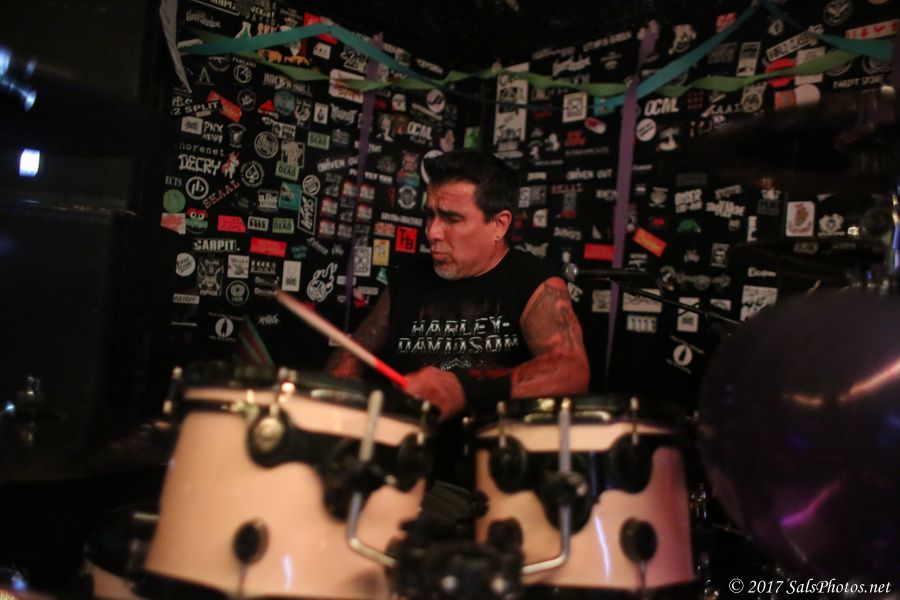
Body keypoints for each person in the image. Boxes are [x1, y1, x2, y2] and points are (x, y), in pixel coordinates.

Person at [326, 149, 589, 423]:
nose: (433, 232)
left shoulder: (532, 281)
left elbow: (571, 370)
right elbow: (351, 359)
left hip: (492, 444)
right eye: (430, 215)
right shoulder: (407, 280)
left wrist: (464, 388)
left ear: (499, 225)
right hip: (409, 439)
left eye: (452, 219)